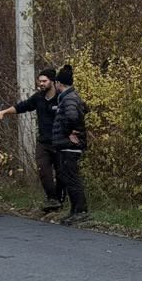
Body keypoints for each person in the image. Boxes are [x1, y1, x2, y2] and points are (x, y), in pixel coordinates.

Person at [0, 67, 62, 211]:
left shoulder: (61, 97)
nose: (41, 84)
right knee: (43, 170)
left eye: (44, 81)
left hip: (59, 142)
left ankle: (60, 201)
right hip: (43, 142)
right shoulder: (38, 98)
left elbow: (76, 112)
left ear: (52, 81)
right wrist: (4, 112)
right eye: (40, 81)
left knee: (61, 173)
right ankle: (52, 199)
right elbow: (22, 106)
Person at [49, 64, 89, 225]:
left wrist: (69, 132)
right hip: (66, 146)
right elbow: (85, 109)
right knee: (68, 178)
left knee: (72, 179)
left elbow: (73, 117)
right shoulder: (70, 97)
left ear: (59, 83)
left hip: (69, 146)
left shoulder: (69, 98)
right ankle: (74, 210)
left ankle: (81, 211)